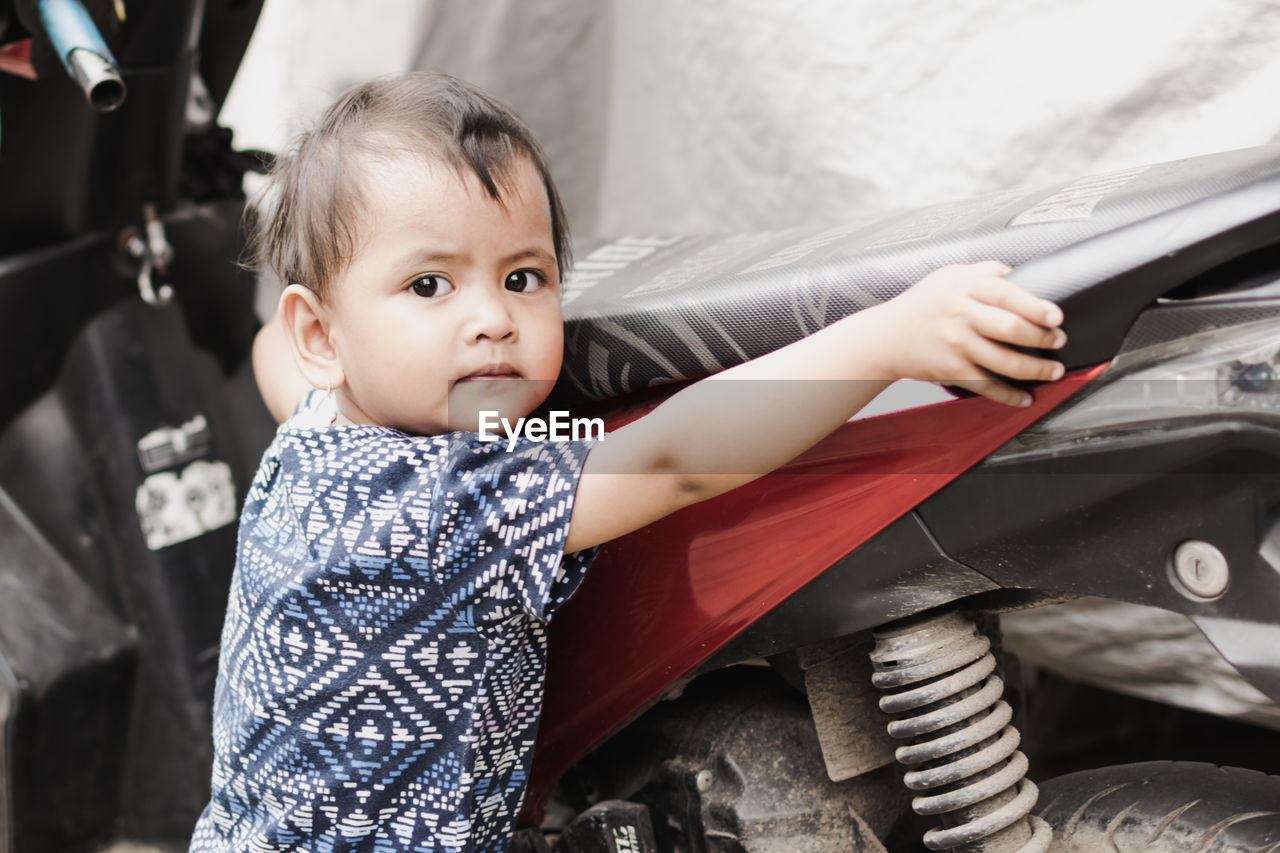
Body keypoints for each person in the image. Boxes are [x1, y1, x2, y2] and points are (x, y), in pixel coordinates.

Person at [190, 71, 1067, 852]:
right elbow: (673, 457)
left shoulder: (322, 423)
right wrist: (886, 339)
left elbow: (278, 360)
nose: (492, 318)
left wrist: (344, 322)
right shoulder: (453, 497)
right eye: (430, 285)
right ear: (323, 333)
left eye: (524, 277)